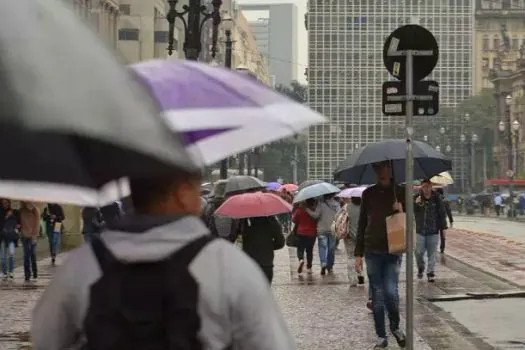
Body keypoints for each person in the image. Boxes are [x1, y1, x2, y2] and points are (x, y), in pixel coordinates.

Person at [31, 169, 296, 350]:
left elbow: (46, 339)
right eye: (195, 189)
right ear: (180, 193)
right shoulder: (227, 266)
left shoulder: (82, 266)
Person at [355, 161, 406, 349]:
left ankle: (395, 327)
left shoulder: (400, 191)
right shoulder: (368, 194)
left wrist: (401, 210)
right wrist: (358, 254)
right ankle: (381, 336)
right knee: (377, 295)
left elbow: (410, 219)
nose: (380, 170)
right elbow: (361, 224)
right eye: (377, 168)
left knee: (391, 292)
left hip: (393, 249)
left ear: (389, 168)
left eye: (383, 166)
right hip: (372, 249)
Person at [414, 180, 448, 282]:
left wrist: (443, 228)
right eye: (424, 187)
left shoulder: (437, 198)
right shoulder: (416, 198)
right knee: (418, 252)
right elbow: (411, 211)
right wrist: (416, 204)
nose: (426, 189)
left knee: (432, 253)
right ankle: (421, 267)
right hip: (420, 230)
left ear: (431, 186)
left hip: (433, 230)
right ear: (421, 187)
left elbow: (442, 213)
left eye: (428, 186)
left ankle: (430, 272)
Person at [235, 216, 285, 284]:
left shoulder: (244, 220)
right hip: (266, 263)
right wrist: (268, 247)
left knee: (250, 291)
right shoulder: (272, 222)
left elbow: (235, 236)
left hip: (248, 262)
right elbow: (280, 243)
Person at [306, 193, 340, 275]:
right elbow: (340, 217)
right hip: (333, 229)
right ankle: (330, 267)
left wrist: (307, 209)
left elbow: (315, 215)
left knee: (322, 247)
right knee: (331, 249)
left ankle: (323, 263)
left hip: (322, 229)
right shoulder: (337, 204)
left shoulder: (320, 204)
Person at [292, 198, 317, 274]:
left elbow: (294, 220)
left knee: (300, 248)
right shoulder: (314, 211)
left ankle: (301, 259)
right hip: (312, 233)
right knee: (309, 250)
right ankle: (309, 267)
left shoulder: (299, 210)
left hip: (301, 232)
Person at [19, 202, 40, 281]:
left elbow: (37, 224)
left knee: (33, 255)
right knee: (26, 255)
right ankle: (27, 274)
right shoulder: (21, 210)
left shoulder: (35, 210)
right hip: (24, 236)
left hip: (33, 236)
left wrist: (35, 235)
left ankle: (35, 272)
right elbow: (19, 223)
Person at [435, 188, 453, 253]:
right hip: (443, 220)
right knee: (443, 234)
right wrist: (451, 221)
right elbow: (448, 211)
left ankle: (434, 247)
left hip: (435, 220)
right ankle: (442, 248)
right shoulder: (445, 200)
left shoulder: (434, 199)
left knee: (435, 234)